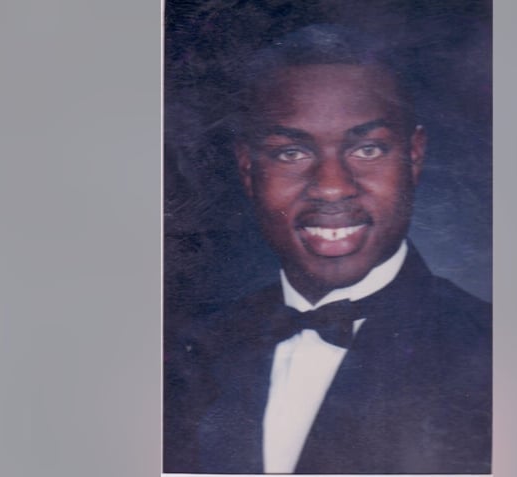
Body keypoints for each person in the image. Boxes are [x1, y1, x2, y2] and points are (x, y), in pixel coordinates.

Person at [165, 25, 491, 474]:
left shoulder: (494, 361)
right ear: (247, 169)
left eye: (368, 149)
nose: (332, 188)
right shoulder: (186, 356)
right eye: (291, 154)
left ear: (414, 157)